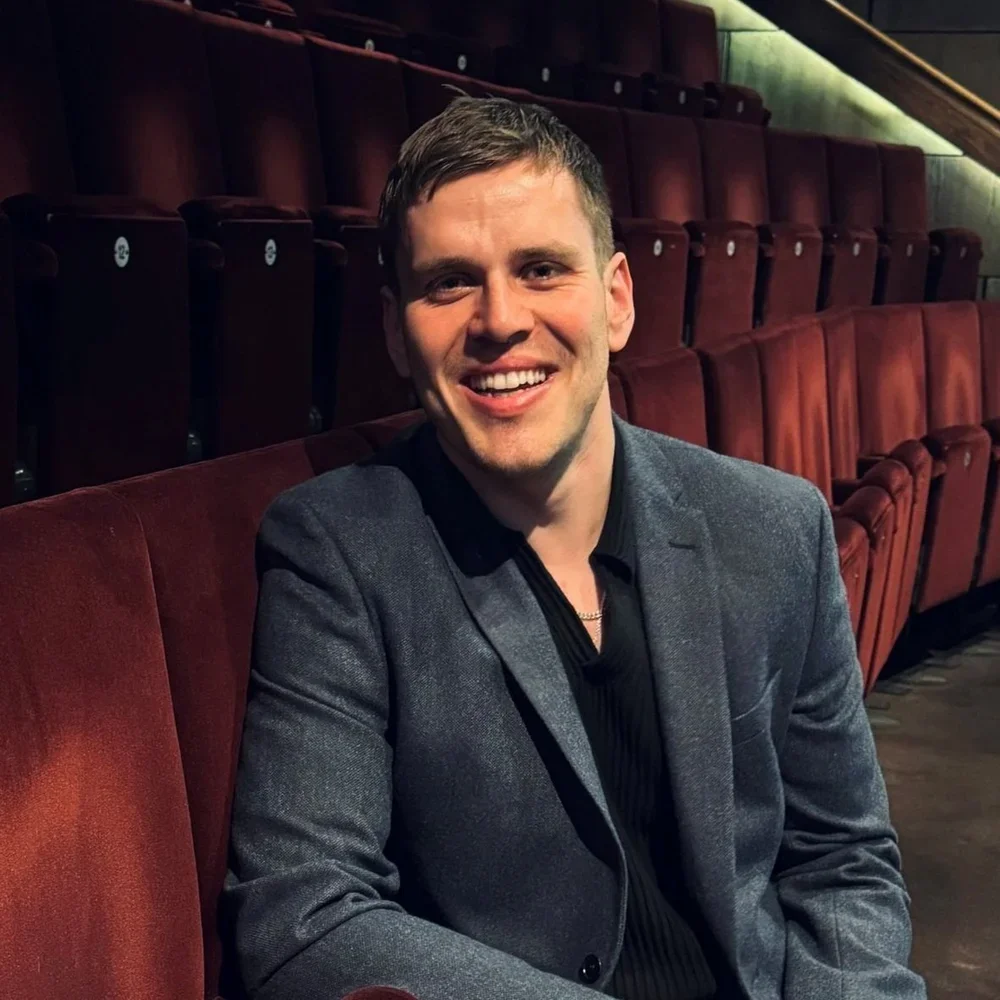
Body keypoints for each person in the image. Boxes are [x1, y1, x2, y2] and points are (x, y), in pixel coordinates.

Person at [222, 97, 926, 1000]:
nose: (498, 319)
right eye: (449, 282)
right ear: (396, 331)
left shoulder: (775, 527)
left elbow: (842, 860)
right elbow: (306, 917)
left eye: (542, 268)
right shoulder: (338, 552)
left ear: (618, 297)